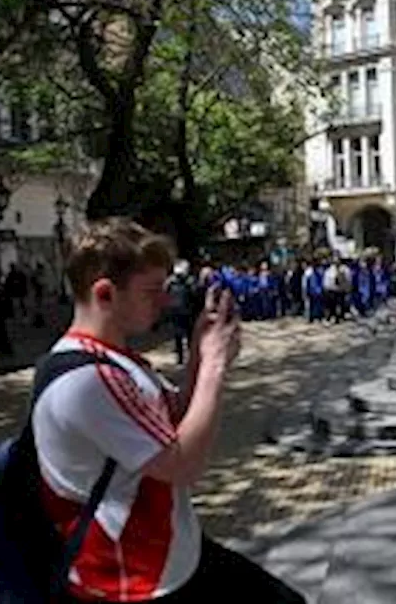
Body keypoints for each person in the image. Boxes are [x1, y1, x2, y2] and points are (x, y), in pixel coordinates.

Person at [35, 217, 305, 603]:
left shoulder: (115, 360)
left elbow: (172, 413)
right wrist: (212, 367)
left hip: (171, 556)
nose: (165, 301)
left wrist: (197, 353)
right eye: (151, 291)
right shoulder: (87, 382)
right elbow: (182, 465)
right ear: (106, 294)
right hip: (134, 580)